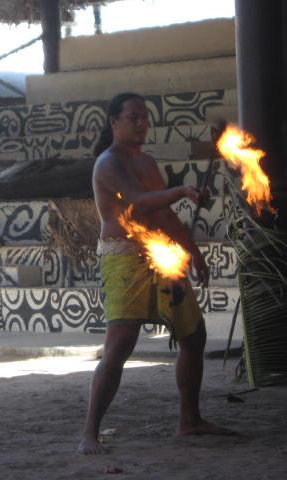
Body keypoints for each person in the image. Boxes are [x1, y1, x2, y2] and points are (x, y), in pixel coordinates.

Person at [78, 92, 234, 455]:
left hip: (160, 254)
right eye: (133, 117)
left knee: (193, 335)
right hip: (123, 258)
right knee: (120, 344)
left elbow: (162, 215)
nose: (141, 123)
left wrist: (194, 252)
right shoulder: (108, 163)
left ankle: (189, 420)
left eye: (145, 117)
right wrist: (181, 190)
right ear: (114, 122)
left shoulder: (147, 162)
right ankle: (89, 433)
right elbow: (137, 201)